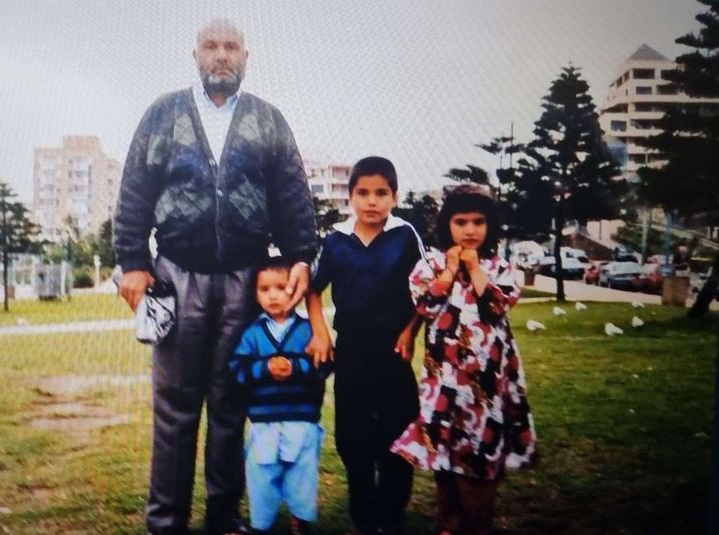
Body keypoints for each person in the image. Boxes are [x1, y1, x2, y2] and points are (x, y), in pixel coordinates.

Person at [113, 18, 318, 535]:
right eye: (211, 46)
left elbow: (293, 196)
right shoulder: (161, 114)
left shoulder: (269, 121)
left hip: (245, 280)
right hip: (176, 277)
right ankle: (167, 522)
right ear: (195, 55)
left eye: (231, 47)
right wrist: (132, 261)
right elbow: (134, 189)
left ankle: (224, 518)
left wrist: (300, 256)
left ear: (247, 56)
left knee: (231, 405)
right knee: (176, 412)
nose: (221, 55)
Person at [391, 184, 537, 535]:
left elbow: (499, 306)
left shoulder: (499, 266)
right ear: (447, 225)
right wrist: (449, 270)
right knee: (445, 452)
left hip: (486, 380)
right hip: (444, 379)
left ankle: (477, 522)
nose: (470, 230)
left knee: (480, 451)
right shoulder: (431, 263)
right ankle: (448, 521)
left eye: (478, 222)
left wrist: (474, 270)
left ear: (490, 226)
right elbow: (423, 305)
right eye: (461, 222)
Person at [306, 156, 426, 535]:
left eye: (381, 193)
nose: (371, 201)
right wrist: (321, 332)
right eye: (363, 193)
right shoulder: (336, 240)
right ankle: (363, 511)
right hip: (352, 351)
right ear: (350, 196)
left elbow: (426, 292)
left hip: (394, 351)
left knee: (399, 430)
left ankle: (391, 513)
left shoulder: (406, 235)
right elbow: (312, 290)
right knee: (352, 436)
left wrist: (410, 332)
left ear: (394, 197)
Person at [229, 257, 330, 535]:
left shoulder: (309, 330)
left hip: (302, 420)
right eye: (265, 289)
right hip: (264, 421)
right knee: (262, 473)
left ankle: (301, 519)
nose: (273, 295)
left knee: (302, 474)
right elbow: (237, 369)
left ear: (297, 289)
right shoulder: (252, 333)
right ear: (255, 294)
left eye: (281, 287)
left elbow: (325, 365)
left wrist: (296, 366)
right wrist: (264, 368)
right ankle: (261, 523)